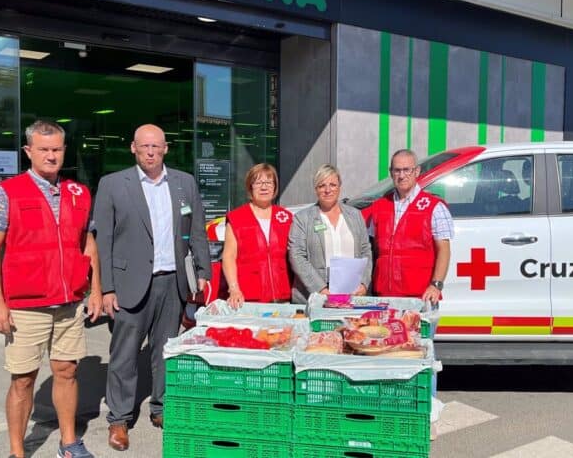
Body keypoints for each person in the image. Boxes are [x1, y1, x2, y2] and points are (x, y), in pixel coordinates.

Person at [0, 120, 102, 458]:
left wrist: (95, 291)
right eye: (44, 149)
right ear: (28, 151)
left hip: (68, 304)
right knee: (23, 380)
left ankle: (69, 442)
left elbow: (88, 244)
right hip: (25, 306)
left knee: (67, 371)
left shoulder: (79, 193)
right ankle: (18, 452)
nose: (51, 155)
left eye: (57, 149)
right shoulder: (9, 192)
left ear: (64, 151)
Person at [94, 124, 210, 451]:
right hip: (129, 283)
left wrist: (202, 271)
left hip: (172, 282)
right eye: (144, 146)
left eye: (156, 146)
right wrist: (106, 288)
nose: (150, 152)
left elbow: (197, 229)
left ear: (165, 148)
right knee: (124, 355)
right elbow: (103, 241)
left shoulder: (184, 183)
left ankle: (161, 407)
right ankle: (119, 418)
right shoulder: (113, 185)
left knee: (165, 350)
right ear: (133, 148)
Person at [365, 149, 453, 302]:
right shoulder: (379, 207)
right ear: (391, 173)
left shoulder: (435, 207)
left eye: (407, 170)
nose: (402, 175)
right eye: (397, 170)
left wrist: (436, 285)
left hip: (420, 296)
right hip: (384, 295)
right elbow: (371, 250)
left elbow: (444, 250)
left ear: (417, 171)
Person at [288, 164, 372, 304]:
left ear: (339, 186)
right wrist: (320, 289)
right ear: (316, 189)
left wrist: (363, 283)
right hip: (316, 295)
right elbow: (297, 255)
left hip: (352, 293)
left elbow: (366, 251)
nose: (328, 190)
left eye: (333, 185)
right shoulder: (302, 219)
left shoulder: (355, 215)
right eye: (322, 186)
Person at [222, 163, 293, 308]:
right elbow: (229, 256)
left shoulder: (286, 217)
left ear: (274, 187)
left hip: (283, 296)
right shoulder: (237, 218)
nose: (264, 187)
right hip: (248, 298)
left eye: (268, 182)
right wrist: (234, 289)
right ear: (250, 187)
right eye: (258, 182)